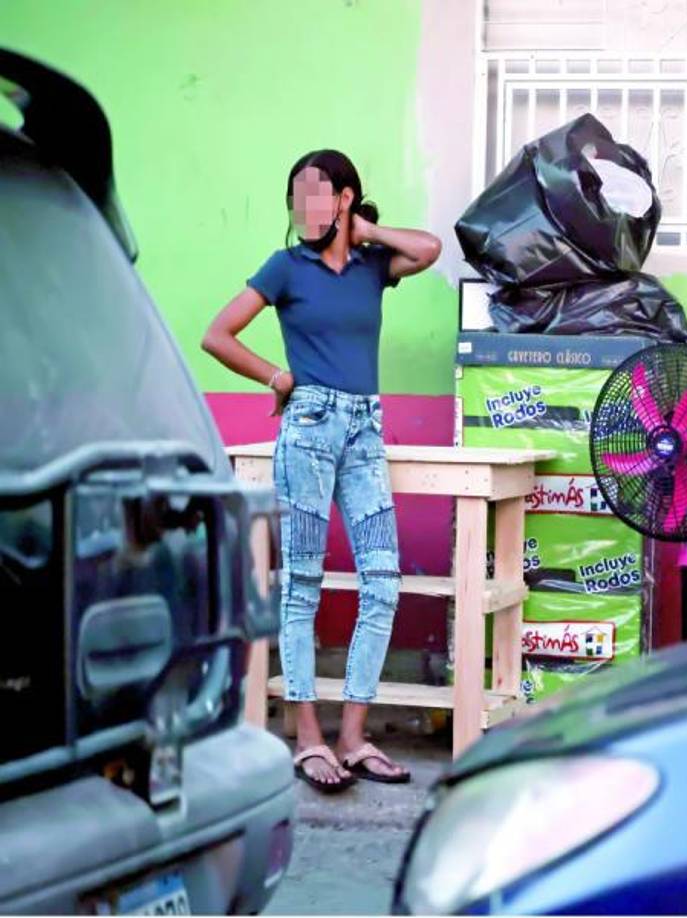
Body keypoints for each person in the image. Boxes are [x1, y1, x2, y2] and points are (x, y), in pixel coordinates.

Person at [202, 149, 441, 792]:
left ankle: (353, 737)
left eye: (317, 195)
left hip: (365, 430)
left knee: (383, 582)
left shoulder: (372, 266)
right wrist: (276, 377)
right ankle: (309, 739)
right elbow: (217, 335)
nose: (304, 208)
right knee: (302, 585)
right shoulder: (285, 267)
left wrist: (366, 231)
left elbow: (430, 249)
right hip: (307, 427)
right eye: (296, 198)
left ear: (343, 198)